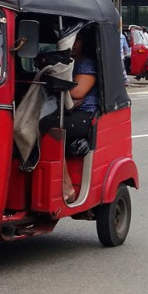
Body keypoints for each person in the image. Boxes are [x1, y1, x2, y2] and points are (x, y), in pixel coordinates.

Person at [40, 32, 100, 202]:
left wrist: (55, 83)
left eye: (78, 40)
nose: (73, 45)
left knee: (48, 129)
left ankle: (67, 185)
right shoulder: (65, 63)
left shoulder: (86, 63)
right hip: (68, 111)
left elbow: (77, 92)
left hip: (84, 115)